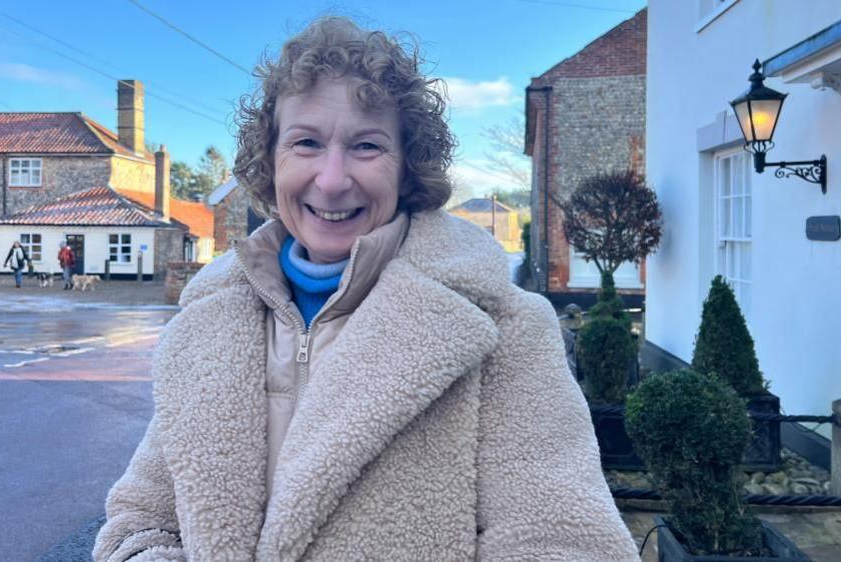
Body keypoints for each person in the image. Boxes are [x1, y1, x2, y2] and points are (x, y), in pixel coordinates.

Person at [94, 17, 640, 562]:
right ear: (271, 160)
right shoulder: (210, 320)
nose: (332, 179)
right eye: (306, 142)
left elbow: (564, 542)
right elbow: (141, 520)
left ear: (407, 168)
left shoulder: (502, 329)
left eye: (366, 146)